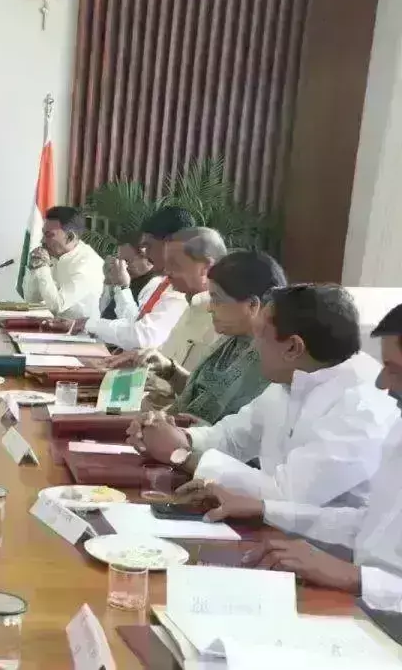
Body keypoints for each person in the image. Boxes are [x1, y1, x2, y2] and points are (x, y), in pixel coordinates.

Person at [171, 304, 402, 610]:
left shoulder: (364, 406)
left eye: (395, 369)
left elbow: (290, 491)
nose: (382, 383)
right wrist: (264, 509)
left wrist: (355, 577)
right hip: (358, 595)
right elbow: (369, 523)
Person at [129, 284, 398, 508]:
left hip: (321, 549)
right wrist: (174, 435)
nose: (253, 347)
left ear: (293, 347)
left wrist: (181, 454)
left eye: (260, 336)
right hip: (269, 529)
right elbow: (232, 436)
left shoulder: (362, 405)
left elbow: (286, 495)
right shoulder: (292, 379)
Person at [155, 251, 286, 425]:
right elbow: (203, 395)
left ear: (252, 305)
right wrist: (169, 369)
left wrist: (197, 432)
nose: (210, 308)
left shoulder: (272, 367)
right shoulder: (231, 341)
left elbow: (247, 434)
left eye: (217, 299)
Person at [99, 227, 227, 378]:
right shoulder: (189, 304)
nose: (167, 271)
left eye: (175, 265)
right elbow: (163, 363)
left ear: (205, 268)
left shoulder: (225, 319)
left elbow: (197, 387)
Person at [80, 207, 192, 350]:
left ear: (169, 244)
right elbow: (133, 324)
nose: (146, 253)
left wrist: (91, 324)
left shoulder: (181, 288)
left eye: (148, 245)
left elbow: (142, 337)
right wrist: (118, 286)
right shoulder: (161, 284)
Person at [21, 206, 104, 319]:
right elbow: (32, 300)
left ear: (70, 237)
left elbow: (57, 306)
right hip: (52, 325)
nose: (42, 241)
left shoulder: (88, 265)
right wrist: (34, 269)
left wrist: (42, 267)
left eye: (49, 235)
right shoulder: (56, 255)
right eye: (43, 234)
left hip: (81, 329)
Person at [98, 233, 158, 321]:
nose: (122, 266)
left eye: (126, 261)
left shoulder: (155, 285)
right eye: (119, 260)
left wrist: (123, 287)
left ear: (147, 259)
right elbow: (105, 314)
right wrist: (109, 282)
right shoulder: (132, 278)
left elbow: (132, 324)